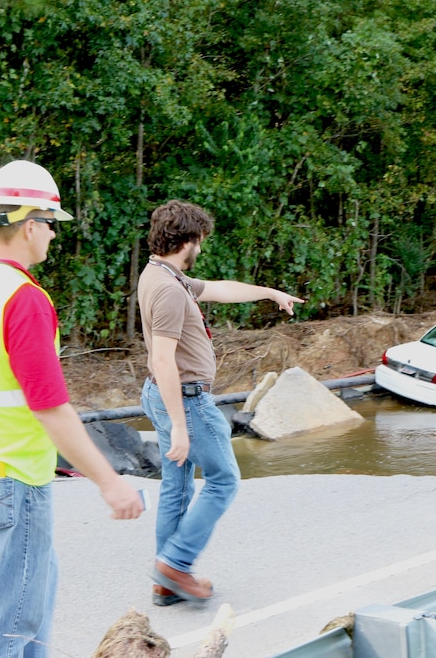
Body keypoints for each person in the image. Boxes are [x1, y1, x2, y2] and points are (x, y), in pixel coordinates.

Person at [0, 160, 144, 658]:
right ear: (28, 225)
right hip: (13, 479)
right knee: (5, 624)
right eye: (50, 225)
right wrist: (110, 483)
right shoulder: (23, 299)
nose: (51, 237)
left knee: (30, 595)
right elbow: (49, 407)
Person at [138, 200, 304, 605]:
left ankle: (168, 579)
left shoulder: (160, 274)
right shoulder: (169, 290)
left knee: (176, 487)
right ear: (188, 240)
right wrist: (180, 424)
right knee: (224, 479)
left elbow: (219, 289)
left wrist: (270, 293)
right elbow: (163, 358)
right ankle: (175, 564)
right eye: (200, 241)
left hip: (161, 395)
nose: (202, 250)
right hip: (186, 400)